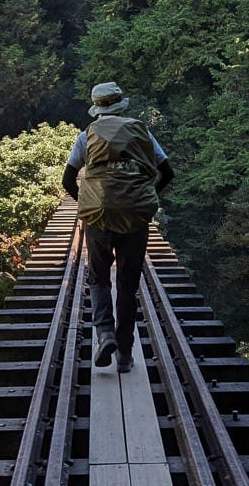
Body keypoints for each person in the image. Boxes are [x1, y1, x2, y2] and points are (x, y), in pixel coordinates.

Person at [63, 82, 174, 373]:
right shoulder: (141, 132)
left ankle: (105, 335)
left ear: (97, 108)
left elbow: (67, 180)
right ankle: (125, 354)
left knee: (98, 279)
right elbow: (167, 171)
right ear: (121, 105)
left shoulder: (86, 136)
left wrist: (87, 204)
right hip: (136, 216)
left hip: (98, 216)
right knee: (127, 284)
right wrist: (145, 198)